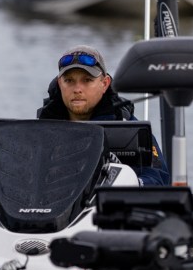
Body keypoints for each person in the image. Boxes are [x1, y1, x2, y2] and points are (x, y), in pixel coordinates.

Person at [37, 45, 170, 186]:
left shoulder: (130, 128)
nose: (77, 89)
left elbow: (159, 179)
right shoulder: (40, 129)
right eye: (69, 81)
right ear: (60, 83)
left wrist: (131, 183)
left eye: (87, 80)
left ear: (105, 84)